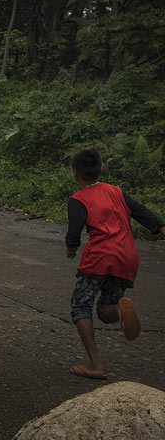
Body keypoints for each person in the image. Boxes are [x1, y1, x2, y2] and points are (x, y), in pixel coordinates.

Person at [65, 147, 165, 379]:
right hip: (127, 258)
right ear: (101, 170)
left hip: (99, 257)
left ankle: (95, 365)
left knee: (80, 307)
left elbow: (75, 228)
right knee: (105, 310)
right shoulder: (117, 192)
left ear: (75, 174)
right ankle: (120, 309)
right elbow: (140, 211)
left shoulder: (78, 199)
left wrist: (71, 247)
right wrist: (160, 227)